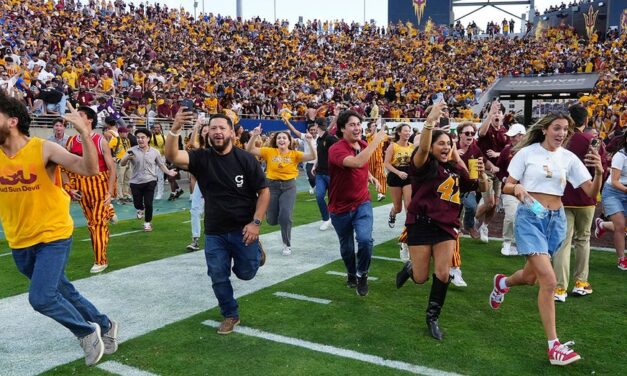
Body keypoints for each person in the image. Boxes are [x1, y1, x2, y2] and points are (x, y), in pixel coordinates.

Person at [0, 92, 118, 366]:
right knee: (65, 291)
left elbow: (89, 169)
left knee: (41, 298)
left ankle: (87, 332)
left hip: (53, 236)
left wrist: (84, 133)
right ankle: (106, 324)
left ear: (12, 121)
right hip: (19, 240)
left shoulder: (44, 149)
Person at [489, 112, 603, 366]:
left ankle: (502, 283)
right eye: (557, 128)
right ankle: (554, 347)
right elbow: (508, 185)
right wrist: (516, 188)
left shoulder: (569, 158)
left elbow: (591, 194)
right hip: (530, 217)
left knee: (530, 278)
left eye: (565, 129)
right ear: (544, 130)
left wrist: (599, 173)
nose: (561, 133)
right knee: (549, 281)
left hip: (556, 221)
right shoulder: (527, 153)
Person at [165, 110, 269, 335]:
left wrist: (256, 223)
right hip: (215, 231)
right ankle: (230, 314)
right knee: (217, 274)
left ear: (231, 132)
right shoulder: (201, 158)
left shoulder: (246, 159)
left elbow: (264, 192)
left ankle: (256, 252)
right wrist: (174, 129)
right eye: (213, 128)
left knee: (246, 273)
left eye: (222, 128)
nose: (218, 132)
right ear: (208, 133)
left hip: (245, 229)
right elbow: (173, 155)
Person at [395, 103, 487, 340]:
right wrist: (430, 121)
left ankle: (432, 317)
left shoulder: (456, 168)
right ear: (432, 146)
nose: (446, 147)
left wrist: (484, 177)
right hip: (421, 224)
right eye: (441, 143)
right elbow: (423, 149)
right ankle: (411, 269)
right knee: (420, 278)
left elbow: (477, 187)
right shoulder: (423, 164)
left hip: (446, 227)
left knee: (443, 274)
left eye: (449, 143)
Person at [328, 110, 386, 296]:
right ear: (342, 129)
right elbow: (356, 163)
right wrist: (376, 140)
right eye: (352, 124)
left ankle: (362, 274)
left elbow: (362, 167)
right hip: (340, 208)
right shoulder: (336, 149)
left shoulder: (362, 144)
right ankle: (351, 273)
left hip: (362, 203)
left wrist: (371, 177)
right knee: (346, 247)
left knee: (365, 240)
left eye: (358, 124)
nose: (357, 127)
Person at [553, 105, 606, 301]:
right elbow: (602, 167)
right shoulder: (589, 140)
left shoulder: (560, 140)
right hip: (586, 197)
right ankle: (581, 283)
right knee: (582, 240)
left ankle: (559, 288)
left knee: (563, 242)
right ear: (585, 121)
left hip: (562, 196)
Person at [247, 124, 317, 255]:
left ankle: (287, 244)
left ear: (289, 141)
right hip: (271, 186)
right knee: (272, 220)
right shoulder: (269, 151)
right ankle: (274, 215)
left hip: (289, 187)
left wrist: (310, 142)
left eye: (284, 138)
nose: (281, 140)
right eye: (279, 138)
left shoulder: (295, 154)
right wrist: (255, 135)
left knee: (285, 216)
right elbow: (250, 149)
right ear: (276, 141)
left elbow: (312, 157)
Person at [64, 106, 117, 274]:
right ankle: (108, 211)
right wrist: (71, 188)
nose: (76, 118)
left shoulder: (100, 140)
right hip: (81, 185)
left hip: (99, 184)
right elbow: (64, 166)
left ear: (90, 120)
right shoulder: (71, 142)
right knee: (91, 219)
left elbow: (111, 167)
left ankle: (101, 260)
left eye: (80, 115)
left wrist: (110, 191)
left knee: (96, 224)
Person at [120, 128, 177, 232]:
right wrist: (127, 157)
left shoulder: (155, 152)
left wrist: (169, 172)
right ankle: (140, 209)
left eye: (142, 137)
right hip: (135, 182)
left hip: (150, 181)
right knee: (137, 204)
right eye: (138, 138)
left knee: (149, 203)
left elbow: (160, 164)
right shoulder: (132, 150)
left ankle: (147, 223)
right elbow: (122, 163)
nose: (140, 140)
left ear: (148, 139)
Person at [476, 100, 508, 243]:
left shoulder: (506, 131)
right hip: (485, 171)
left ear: (503, 115)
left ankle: (485, 226)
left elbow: (509, 150)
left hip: (499, 172)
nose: (496, 115)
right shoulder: (487, 128)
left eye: (498, 112)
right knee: (489, 202)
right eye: (494, 112)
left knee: (495, 203)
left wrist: (497, 155)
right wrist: (489, 115)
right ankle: (473, 219)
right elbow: (481, 133)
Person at [594, 131, 627, 271]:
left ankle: (603, 225)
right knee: (620, 226)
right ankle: (622, 259)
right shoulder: (621, 156)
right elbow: (614, 181)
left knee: (622, 225)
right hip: (614, 191)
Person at [495, 123, 527, 256]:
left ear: (522, 136)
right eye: (511, 136)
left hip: (528, 192)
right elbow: (499, 169)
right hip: (510, 190)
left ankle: (519, 243)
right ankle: (507, 242)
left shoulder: (532, 151)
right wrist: (504, 180)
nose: (511, 139)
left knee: (527, 218)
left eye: (514, 136)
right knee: (511, 215)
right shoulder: (506, 150)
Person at [384, 123, 414, 228]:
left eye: (409, 131)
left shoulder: (412, 146)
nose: (408, 133)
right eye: (405, 130)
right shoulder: (393, 146)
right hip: (395, 177)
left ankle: (408, 232)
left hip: (408, 177)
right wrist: (398, 172)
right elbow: (386, 163)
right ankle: (392, 214)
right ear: (399, 132)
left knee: (409, 206)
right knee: (398, 208)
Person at [313, 118, 338, 231]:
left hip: (331, 173)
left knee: (334, 199)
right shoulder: (319, 139)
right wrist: (315, 165)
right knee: (319, 196)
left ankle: (333, 219)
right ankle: (326, 219)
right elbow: (319, 154)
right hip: (320, 173)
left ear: (316, 125)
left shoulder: (330, 138)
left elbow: (339, 151)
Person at [283, 117, 319, 195]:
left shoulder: (320, 137)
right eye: (311, 130)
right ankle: (314, 187)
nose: (312, 131)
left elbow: (330, 128)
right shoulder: (306, 137)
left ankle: (318, 188)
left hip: (319, 161)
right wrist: (287, 122)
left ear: (317, 130)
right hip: (309, 161)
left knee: (320, 177)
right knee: (311, 177)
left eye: (314, 130)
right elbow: (294, 130)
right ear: (308, 131)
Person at [365, 119, 387, 202]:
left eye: (375, 125)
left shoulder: (382, 135)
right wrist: (377, 126)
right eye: (373, 126)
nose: (375, 126)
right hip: (369, 158)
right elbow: (373, 134)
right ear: (370, 128)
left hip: (379, 158)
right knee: (367, 177)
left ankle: (380, 193)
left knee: (381, 174)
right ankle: (364, 192)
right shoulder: (368, 135)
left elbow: (388, 138)